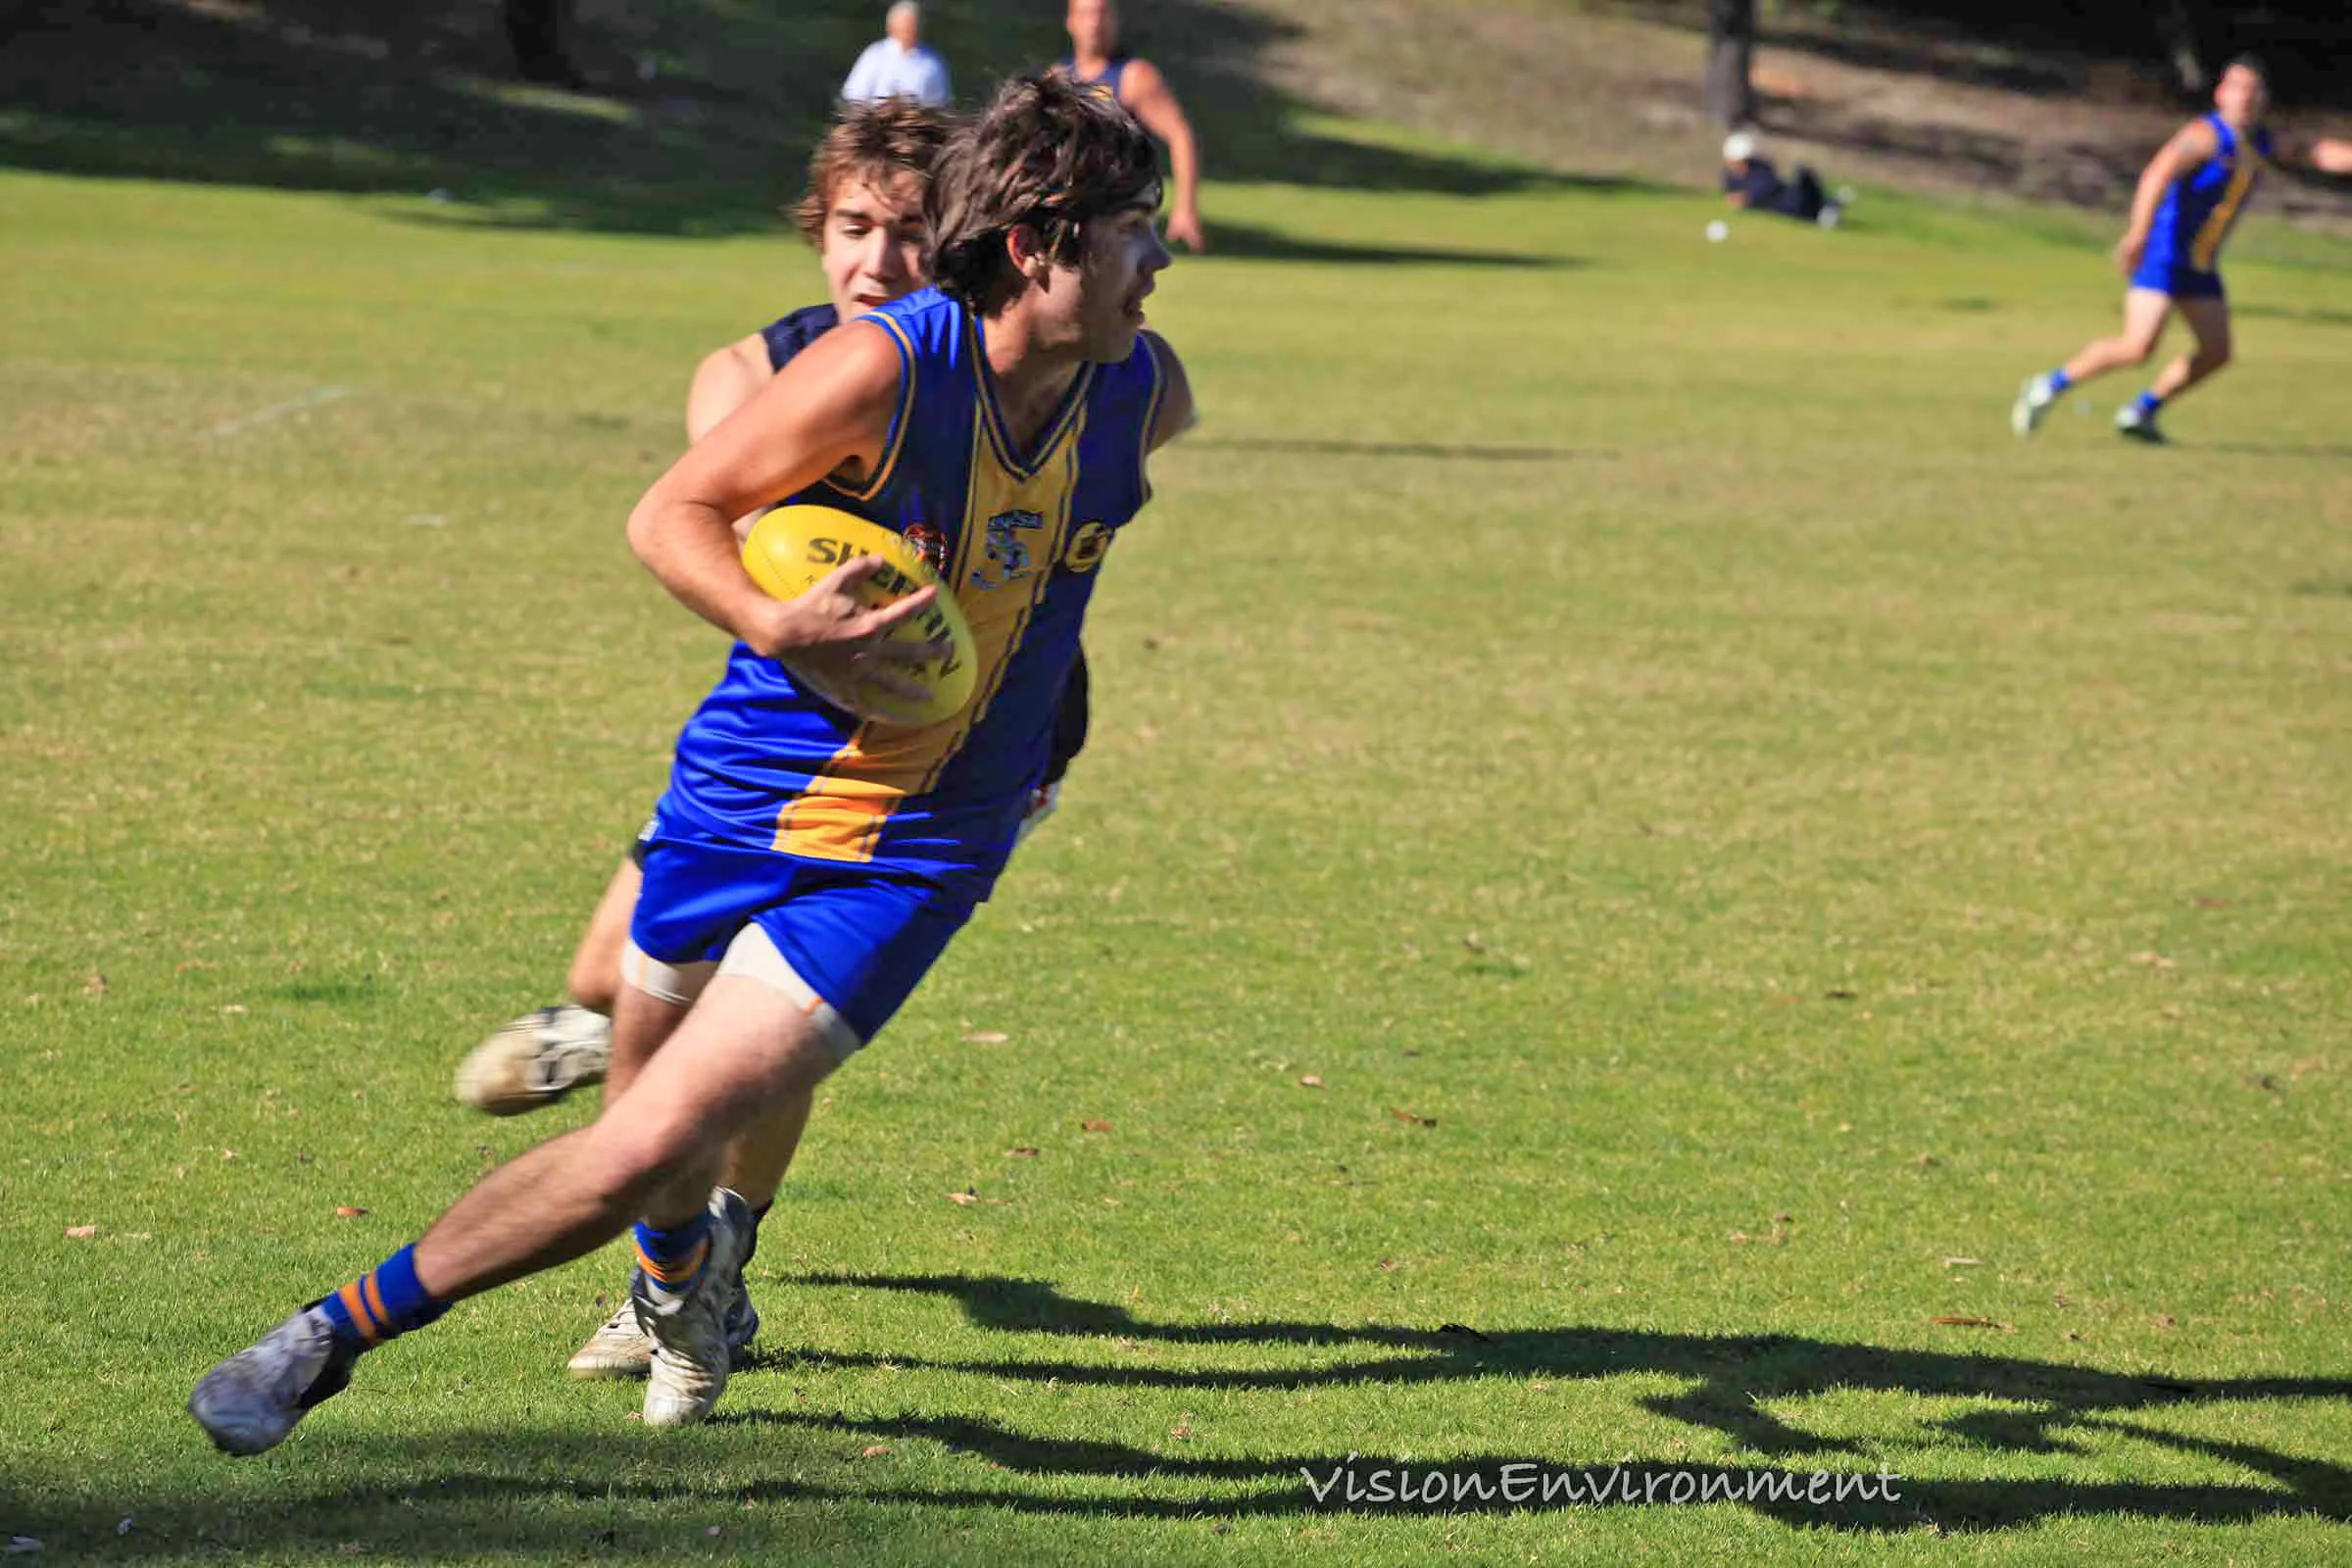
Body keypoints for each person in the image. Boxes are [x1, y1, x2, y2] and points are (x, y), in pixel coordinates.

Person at [188, 70, 1192, 1453]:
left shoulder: (1143, 389)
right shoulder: (883, 372)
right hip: (733, 802)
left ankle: (320, 1339)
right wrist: (779, 623)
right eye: (1137, 228)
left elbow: (1055, 536)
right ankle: (683, 1288)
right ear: (1036, 244)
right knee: (653, 1163)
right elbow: (672, 512)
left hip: (909, 851)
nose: (1163, 257)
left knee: (650, 1144)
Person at [2012, 56, 2352, 445]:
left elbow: (2316, 152)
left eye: (2252, 90)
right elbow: (2157, 175)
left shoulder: (2261, 142)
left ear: (2264, 99)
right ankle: (2046, 386)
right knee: (2138, 346)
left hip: (2200, 264)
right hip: (2164, 254)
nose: (2244, 97)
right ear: (2221, 94)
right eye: (2236, 88)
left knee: (2216, 353)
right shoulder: (2204, 136)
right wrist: (2138, 233)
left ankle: (2141, 411)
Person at [1060, 0, 1206, 252]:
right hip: (1073, 212)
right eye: (1085, 14)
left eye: (1102, 14)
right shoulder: (1059, 78)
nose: (1095, 23)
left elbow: (1180, 135)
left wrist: (1185, 207)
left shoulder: (1134, 76)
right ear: (1070, 22)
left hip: (1121, 215)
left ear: (1116, 20)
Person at [840, 1, 951, 110]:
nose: (909, 29)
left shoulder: (932, 61)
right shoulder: (875, 55)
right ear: (891, 26)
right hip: (877, 120)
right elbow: (855, 96)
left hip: (920, 121)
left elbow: (940, 103)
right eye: (905, 24)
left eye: (913, 24)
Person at [1719, 128, 1839, 227]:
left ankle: (1828, 205)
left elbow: (1763, 189)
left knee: (1803, 173)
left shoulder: (1762, 170)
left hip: (1793, 200)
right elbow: (1732, 195)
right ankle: (1826, 207)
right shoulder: (1730, 177)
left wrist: (1745, 199)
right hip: (1789, 209)